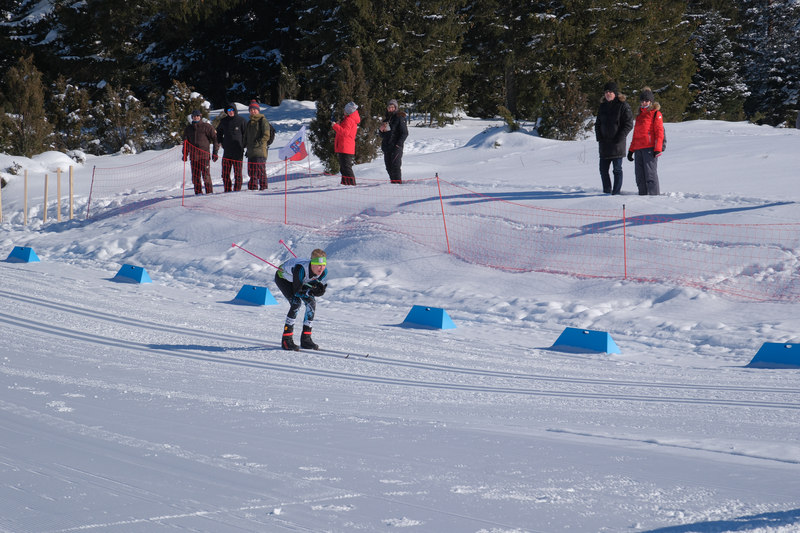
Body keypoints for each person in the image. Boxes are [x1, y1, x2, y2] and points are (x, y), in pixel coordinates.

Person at [274, 249, 328, 351]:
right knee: (296, 303)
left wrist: (316, 289)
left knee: (311, 303)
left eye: (323, 265)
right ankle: (286, 340)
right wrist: (311, 291)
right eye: (318, 265)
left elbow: (310, 284)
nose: (321, 268)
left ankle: (306, 339)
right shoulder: (301, 269)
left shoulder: (323, 272)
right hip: (284, 279)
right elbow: (297, 291)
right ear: (312, 264)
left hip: (299, 280)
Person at [595, 81, 633, 195]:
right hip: (604, 145)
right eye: (606, 92)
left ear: (615, 93)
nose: (608, 94)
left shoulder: (623, 105)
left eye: (610, 92)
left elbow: (628, 124)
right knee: (603, 170)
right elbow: (598, 123)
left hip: (617, 144)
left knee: (617, 170)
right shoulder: (602, 106)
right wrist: (599, 137)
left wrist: (620, 137)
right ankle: (607, 191)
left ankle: (616, 193)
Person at [627, 87, 665, 196]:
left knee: (650, 175)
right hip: (638, 149)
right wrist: (631, 150)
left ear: (651, 101)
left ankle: (654, 197)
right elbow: (635, 135)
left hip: (649, 149)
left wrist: (658, 148)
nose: (644, 103)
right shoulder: (639, 116)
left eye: (646, 101)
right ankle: (642, 197)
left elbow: (659, 132)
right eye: (642, 101)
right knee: (639, 176)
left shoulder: (656, 114)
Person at [182, 109, 217, 194]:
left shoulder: (206, 127)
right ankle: (198, 193)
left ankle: (209, 193)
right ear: (192, 117)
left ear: (200, 117)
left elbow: (215, 139)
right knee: (195, 177)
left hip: (204, 156)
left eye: (197, 116)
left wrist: (215, 152)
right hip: (194, 157)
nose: (196, 117)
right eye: (194, 116)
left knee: (206, 176)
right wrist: (185, 154)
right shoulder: (188, 129)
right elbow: (185, 143)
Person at [214, 104, 247, 192]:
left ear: (235, 110)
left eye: (232, 110)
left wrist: (243, 145)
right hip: (227, 151)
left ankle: (237, 190)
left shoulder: (241, 120)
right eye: (229, 110)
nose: (231, 112)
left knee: (238, 173)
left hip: (238, 151)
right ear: (226, 112)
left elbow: (246, 134)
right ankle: (227, 189)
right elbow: (219, 132)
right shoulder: (224, 121)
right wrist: (220, 141)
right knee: (225, 173)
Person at [243, 100, 272, 190]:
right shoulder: (249, 123)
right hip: (251, 152)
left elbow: (266, 135)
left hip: (260, 151)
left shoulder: (263, 121)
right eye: (251, 110)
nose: (253, 111)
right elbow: (246, 137)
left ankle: (264, 188)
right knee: (251, 172)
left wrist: (258, 143)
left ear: (258, 110)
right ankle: (252, 189)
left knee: (260, 172)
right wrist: (243, 145)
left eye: (254, 109)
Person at [378, 99, 408, 183]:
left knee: (395, 166)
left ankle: (397, 184)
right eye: (389, 107)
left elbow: (405, 133)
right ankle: (393, 182)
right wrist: (381, 130)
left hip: (396, 146)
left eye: (392, 107)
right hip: (387, 146)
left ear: (395, 108)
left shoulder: (399, 118)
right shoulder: (386, 120)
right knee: (388, 167)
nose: (390, 109)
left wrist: (398, 144)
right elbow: (383, 135)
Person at [332, 101, 360, 185]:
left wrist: (335, 126)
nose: (343, 111)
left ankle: (351, 184)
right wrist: (339, 125)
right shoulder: (349, 119)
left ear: (348, 111)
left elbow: (345, 133)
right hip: (345, 146)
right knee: (344, 168)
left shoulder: (349, 120)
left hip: (345, 147)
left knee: (346, 168)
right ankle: (345, 183)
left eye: (345, 110)